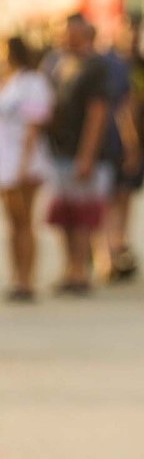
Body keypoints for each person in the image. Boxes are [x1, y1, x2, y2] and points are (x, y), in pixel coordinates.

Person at [43, 14, 112, 294]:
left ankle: (81, 270)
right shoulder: (55, 64)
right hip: (58, 149)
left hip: (84, 153)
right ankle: (68, 266)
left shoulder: (95, 67)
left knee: (83, 213)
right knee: (64, 214)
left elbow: (97, 113)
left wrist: (87, 155)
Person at [103, 14, 144, 281]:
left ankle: (120, 245)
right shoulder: (111, 65)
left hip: (141, 140)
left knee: (125, 195)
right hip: (112, 142)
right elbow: (121, 106)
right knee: (108, 197)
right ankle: (108, 251)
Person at [0, 37, 53, 301]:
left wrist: (23, 164)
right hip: (5, 158)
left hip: (24, 161)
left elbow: (34, 125)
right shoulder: (8, 82)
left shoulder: (33, 82)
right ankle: (15, 275)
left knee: (25, 222)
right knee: (12, 223)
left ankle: (26, 279)